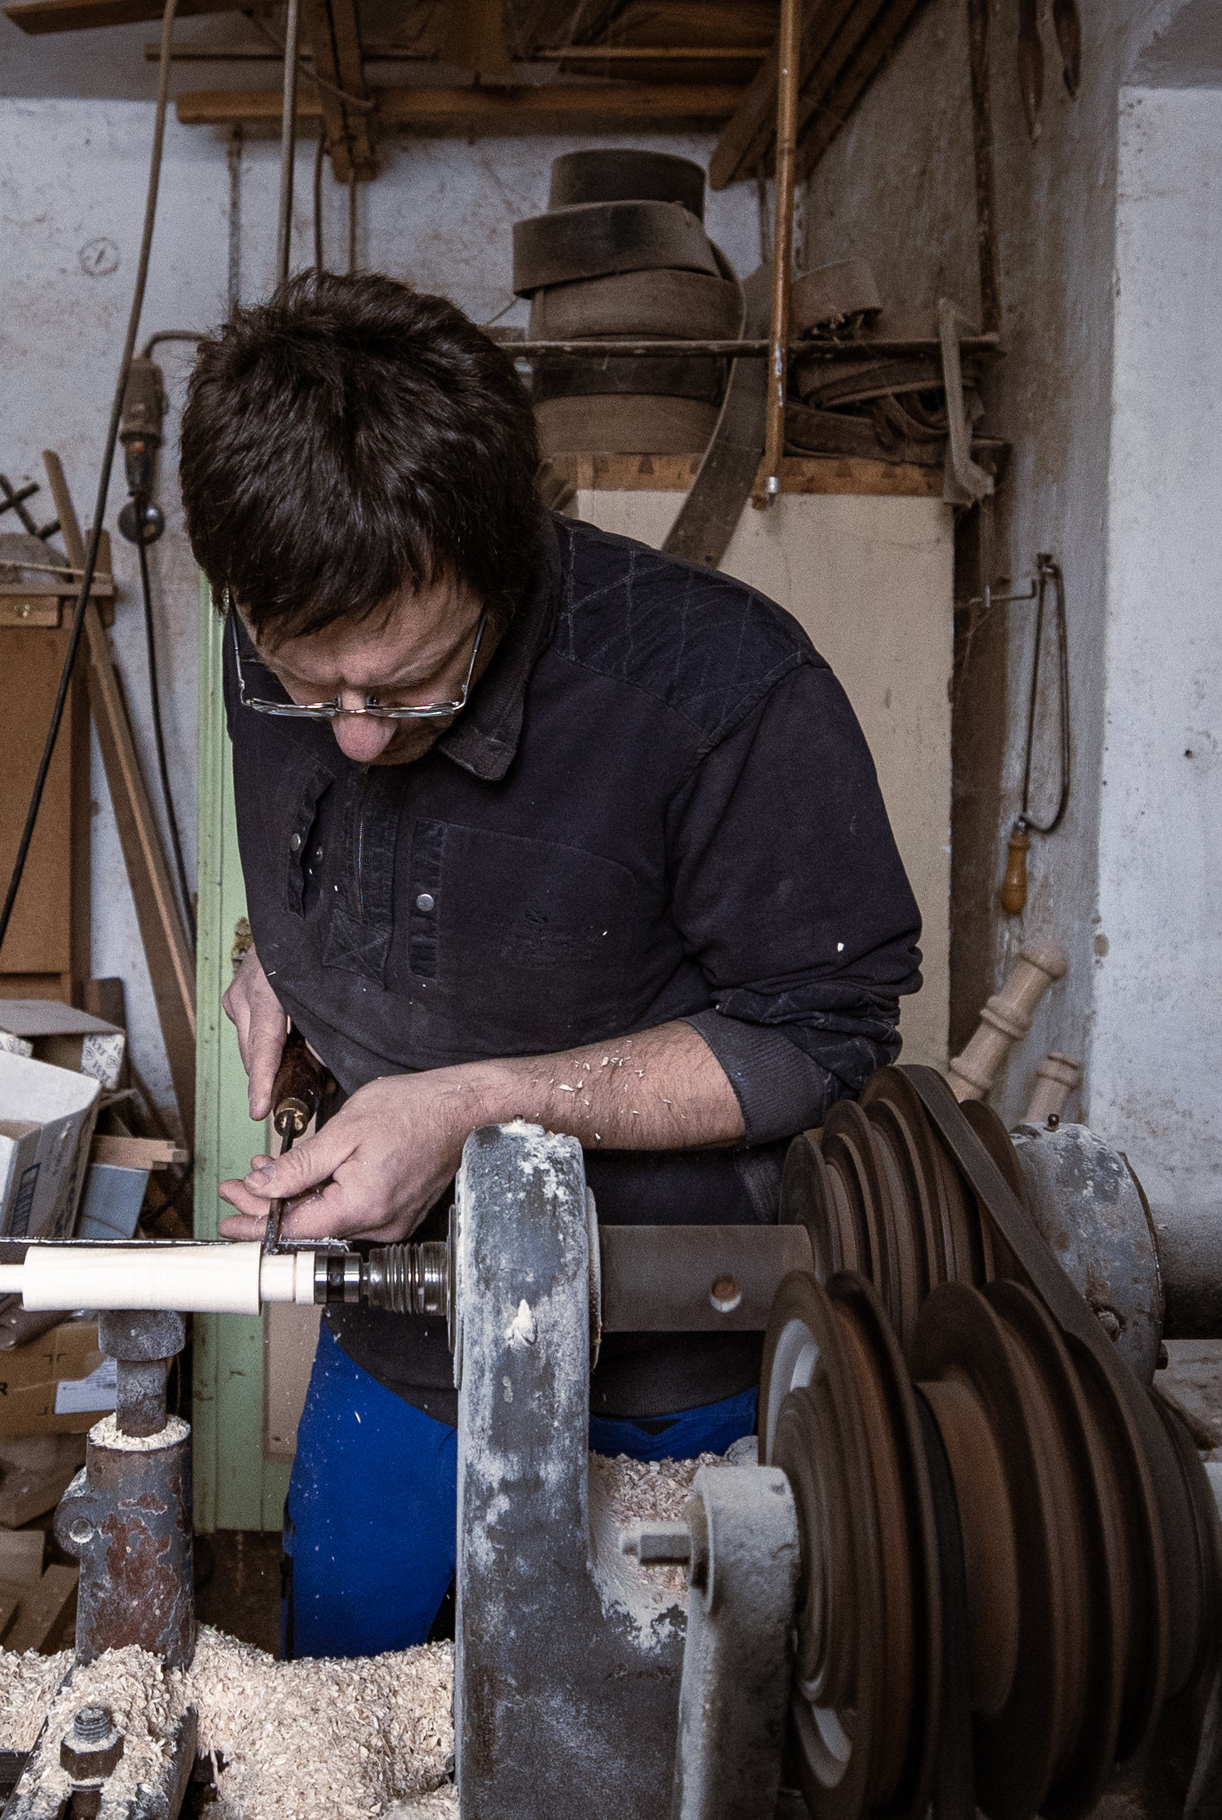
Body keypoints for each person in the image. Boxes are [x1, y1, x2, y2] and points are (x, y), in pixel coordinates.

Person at [180, 270, 922, 1655]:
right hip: (400, 1339)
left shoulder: (720, 690)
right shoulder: (282, 621)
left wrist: (469, 1106)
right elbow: (340, 829)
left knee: (651, 1745)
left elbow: (821, 1035)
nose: (347, 730)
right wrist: (277, 957)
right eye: (306, 683)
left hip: (666, 1367)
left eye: (409, 689)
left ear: (501, 554)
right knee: (349, 1719)